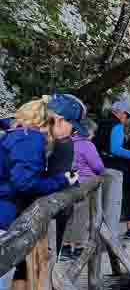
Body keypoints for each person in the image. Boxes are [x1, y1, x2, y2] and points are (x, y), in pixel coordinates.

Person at [0, 97, 77, 290]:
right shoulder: (30, 138)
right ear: (54, 121)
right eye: (70, 125)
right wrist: (61, 181)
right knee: (1, 286)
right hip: (4, 213)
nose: (71, 132)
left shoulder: (15, 134)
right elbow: (24, 183)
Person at [94, 101, 130, 271]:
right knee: (112, 207)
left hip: (97, 169)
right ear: (121, 113)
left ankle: (96, 241)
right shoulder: (116, 126)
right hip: (113, 170)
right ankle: (111, 243)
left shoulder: (100, 124)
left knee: (98, 207)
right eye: (127, 115)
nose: (127, 119)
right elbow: (116, 149)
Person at [46, 94, 87, 258]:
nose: (73, 131)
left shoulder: (62, 141)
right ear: (60, 120)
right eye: (72, 125)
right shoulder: (63, 143)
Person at [63, 119, 105, 260]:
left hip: (68, 182)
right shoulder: (87, 145)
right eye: (93, 132)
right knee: (82, 216)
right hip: (85, 184)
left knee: (69, 215)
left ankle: (65, 246)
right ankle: (79, 246)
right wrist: (101, 172)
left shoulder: (67, 142)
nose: (94, 135)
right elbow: (97, 166)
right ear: (88, 131)